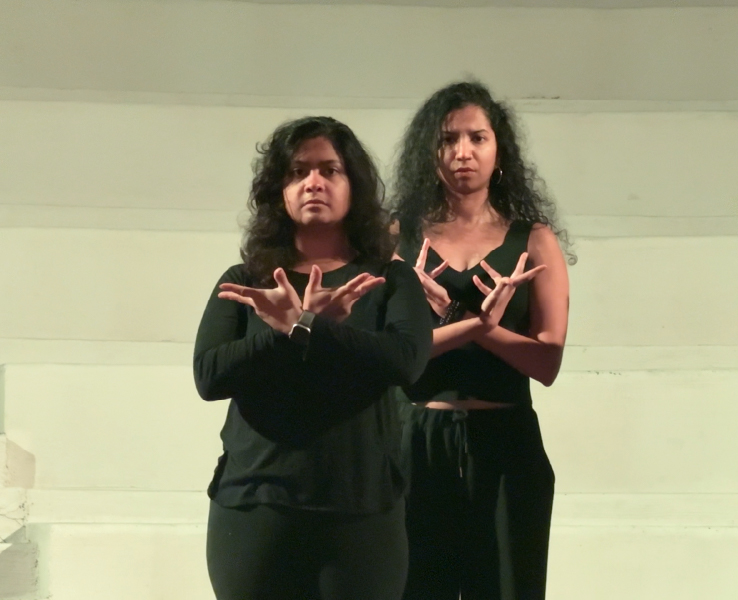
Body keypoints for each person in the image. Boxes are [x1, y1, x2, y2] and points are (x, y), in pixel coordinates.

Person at [192, 116, 433, 600]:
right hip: (256, 503)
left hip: (362, 506)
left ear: (354, 186)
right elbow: (209, 375)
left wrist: (313, 329)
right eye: (298, 171)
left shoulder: (387, 279)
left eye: (330, 170)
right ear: (279, 189)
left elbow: (406, 362)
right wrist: (286, 334)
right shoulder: (247, 278)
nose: (313, 183)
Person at [390, 81, 571, 600]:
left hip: (506, 438)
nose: (463, 152)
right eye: (448, 139)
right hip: (418, 438)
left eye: (478, 137)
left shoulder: (534, 240)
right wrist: (466, 324)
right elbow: (389, 357)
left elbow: (547, 361)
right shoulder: (397, 238)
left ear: (500, 150)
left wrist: (469, 323)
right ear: (431, 151)